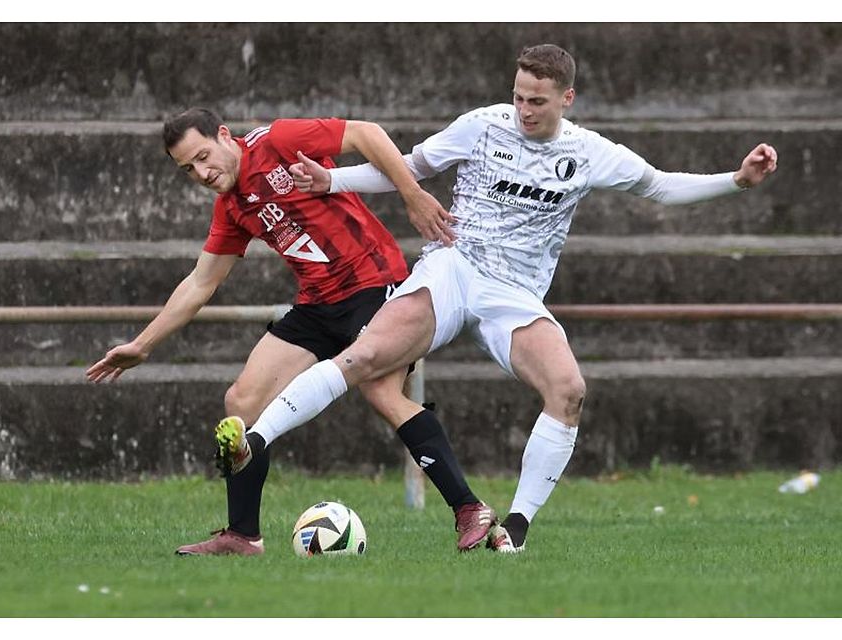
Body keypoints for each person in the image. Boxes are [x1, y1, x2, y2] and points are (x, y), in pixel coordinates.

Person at [215, 44, 779, 553]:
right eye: (518, 97)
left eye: (537, 100)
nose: (525, 110)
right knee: (362, 358)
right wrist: (333, 182)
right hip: (455, 266)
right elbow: (409, 167)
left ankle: (516, 529)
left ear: (566, 98)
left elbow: (658, 184)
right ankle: (254, 439)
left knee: (569, 390)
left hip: (514, 294)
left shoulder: (588, 153)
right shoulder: (483, 127)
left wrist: (736, 180)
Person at [85, 107, 497, 556]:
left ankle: (468, 509)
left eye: (204, 156)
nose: (202, 172)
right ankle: (243, 536)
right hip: (318, 303)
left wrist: (411, 193)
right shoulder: (231, 208)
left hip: (374, 285)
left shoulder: (277, 142)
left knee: (382, 394)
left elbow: (365, 133)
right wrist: (142, 345)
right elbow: (201, 282)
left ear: (225, 136)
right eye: (188, 168)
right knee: (241, 401)